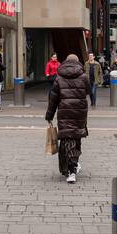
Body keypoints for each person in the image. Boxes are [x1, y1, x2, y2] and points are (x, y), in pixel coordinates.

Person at [46, 54, 91, 183]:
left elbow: (53, 100)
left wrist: (49, 116)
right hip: (79, 113)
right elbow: (87, 91)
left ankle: (71, 168)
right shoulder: (84, 77)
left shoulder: (59, 79)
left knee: (67, 139)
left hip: (64, 112)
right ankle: (73, 167)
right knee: (76, 138)